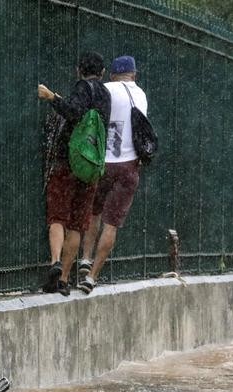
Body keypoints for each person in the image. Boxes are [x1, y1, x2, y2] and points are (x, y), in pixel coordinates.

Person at [37, 52, 111, 295]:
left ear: (79, 70)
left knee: (57, 216)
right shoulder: (105, 94)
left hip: (68, 162)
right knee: (77, 224)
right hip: (90, 169)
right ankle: (64, 279)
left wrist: (52, 97)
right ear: (102, 73)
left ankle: (55, 262)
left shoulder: (82, 87)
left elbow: (73, 111)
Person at [77, 55, 148, 294]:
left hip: (104, 163)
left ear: (112, 74)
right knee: (112, 223)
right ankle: (93, 277)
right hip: (129, 166)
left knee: (93, 211)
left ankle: (85, 258)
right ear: (134, 75)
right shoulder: (141, 95)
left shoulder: (106, 89)